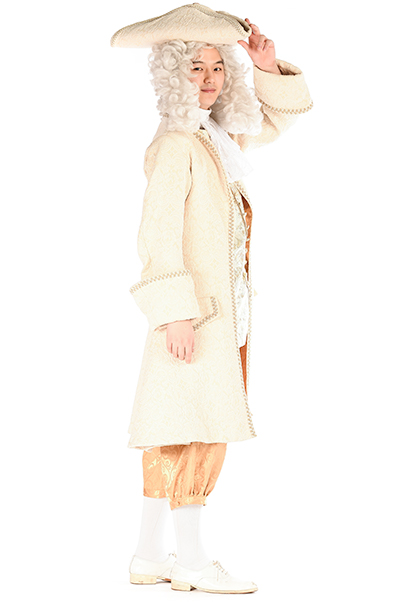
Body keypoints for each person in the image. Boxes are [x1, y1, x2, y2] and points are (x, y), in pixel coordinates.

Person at [111, 4, 313, 594]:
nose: (209, 79)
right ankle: (193, 561)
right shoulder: (177, 145)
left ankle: (150, 554)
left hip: (220, 315)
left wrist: (267, 67)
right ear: (172, 73)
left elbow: (276, 121)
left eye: (218, 67)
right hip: (195, 317)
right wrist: (174, 312)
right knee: (200, 428)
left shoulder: (214, 136)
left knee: (175, 425)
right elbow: (156, 235)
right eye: (195, 67)